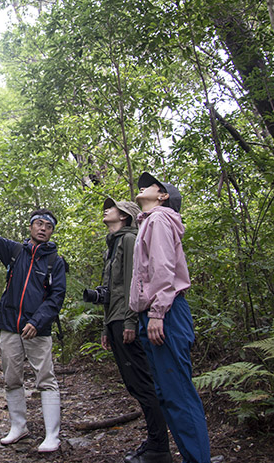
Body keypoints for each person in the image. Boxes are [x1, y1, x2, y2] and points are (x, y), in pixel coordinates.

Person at [0, 185, 67, 453]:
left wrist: (36, 321)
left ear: (51, 232)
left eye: (48, 226)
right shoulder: (15, 252)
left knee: (45, 379)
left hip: (38, 330)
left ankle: (52, 435)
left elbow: (56, 298)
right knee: (11, 378)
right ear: (30, 227)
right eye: (38, 223)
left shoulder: (55, 262)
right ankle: (18, 427)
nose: (42, 228)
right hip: (9, 326)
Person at [129, 172, 211, 463]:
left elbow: (164, 269)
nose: (143, 186)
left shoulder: (160, 219)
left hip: (167, 312)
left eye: (151, 185)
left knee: (178, 394)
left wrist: (157, 313)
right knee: (167, 393)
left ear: (163, 196)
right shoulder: (149, 222)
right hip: (157, 313)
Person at [87, 197, 171, 463]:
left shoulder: (129, 240)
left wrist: (130, 322)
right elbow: (112, 290)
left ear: (124, 216)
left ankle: (160, 447)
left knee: (143, 385)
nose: (106, 209)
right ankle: (154, 442)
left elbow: (136, 283)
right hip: (115, 320)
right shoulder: (112, 245)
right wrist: (105, 327)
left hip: (126, 320)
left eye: (112, 207)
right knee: (135, 385)